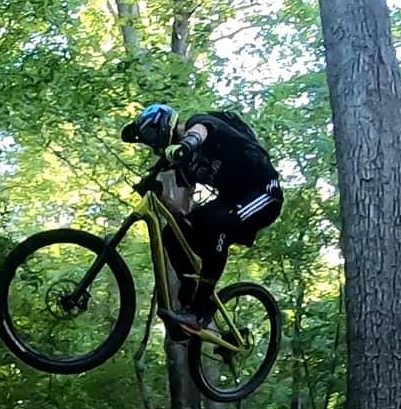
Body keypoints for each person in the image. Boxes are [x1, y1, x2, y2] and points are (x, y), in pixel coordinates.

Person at [121, 103, 283, 337]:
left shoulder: (200, 123)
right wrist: (158, 194)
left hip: (264, 193)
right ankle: (189, 300)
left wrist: (186, 144)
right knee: (172, 234)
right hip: (231, 199)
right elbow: (183, 212)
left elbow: (200, 132)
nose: (153, 145)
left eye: (151, 138)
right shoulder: (182, 164)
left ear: (163, 125)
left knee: (219, 226)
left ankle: (198, 313)